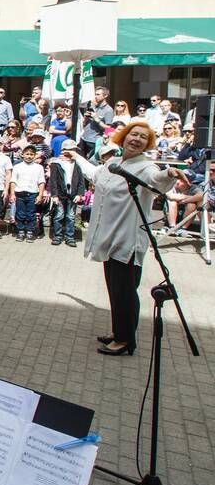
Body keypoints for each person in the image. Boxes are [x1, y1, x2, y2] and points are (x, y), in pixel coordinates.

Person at [64, 120, 188, 356]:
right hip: (108, 239)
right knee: (115, 289)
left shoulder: (146, 167)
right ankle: (119, 331)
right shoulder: (113, 163)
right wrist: (77, 156)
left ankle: (125, 340)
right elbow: (94, 173)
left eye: (143, 137)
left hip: (127, 240)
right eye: (134, 134)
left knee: (125, 291)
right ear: (123, 137)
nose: (137, 139)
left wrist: (170, 173)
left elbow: (157, 180)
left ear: (147, 144)